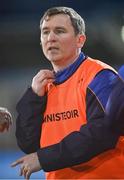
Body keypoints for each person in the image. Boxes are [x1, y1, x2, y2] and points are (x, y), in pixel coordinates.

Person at [11, 6, 124, 179]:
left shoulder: (100, 77)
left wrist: (43, 159)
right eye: (45, 32)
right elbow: (28, 144)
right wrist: (33, 97)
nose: (51, 38)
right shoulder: (42, 87)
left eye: (60, 31)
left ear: (80, 40)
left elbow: (101, 134)